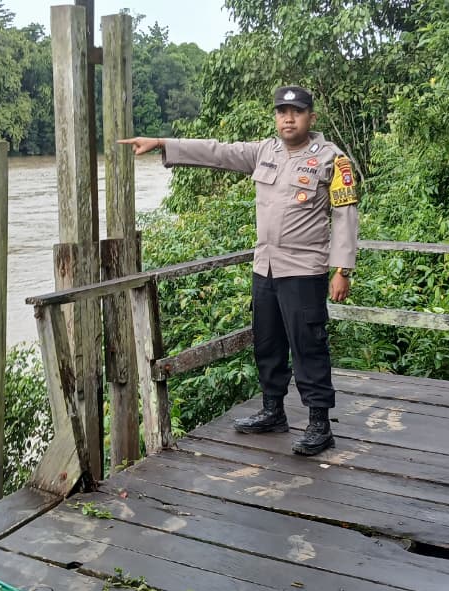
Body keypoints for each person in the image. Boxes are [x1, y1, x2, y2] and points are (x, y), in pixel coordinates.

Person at [118, 85, 359, 456]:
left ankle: (319, 424)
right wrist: (163, 143)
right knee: (268, 343)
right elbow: (218, 152)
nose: (288, 119)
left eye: (296, 112)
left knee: (308, 346)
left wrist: (342, 269)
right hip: (266, 268)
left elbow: (345, 216)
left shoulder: (332, 160)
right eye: (282, 112)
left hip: (304, 269)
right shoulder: (265, 151)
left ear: (311, 117)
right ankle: (273, 411)